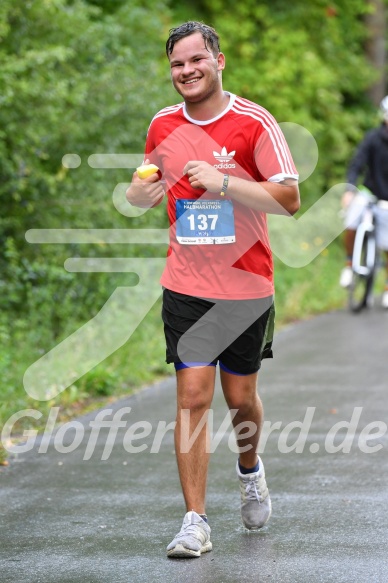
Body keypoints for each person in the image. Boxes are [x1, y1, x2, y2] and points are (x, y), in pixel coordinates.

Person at [126, 21, 299, 558]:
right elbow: (144, 195)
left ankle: (250, 470)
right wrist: (139, 193)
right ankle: (195, 521)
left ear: (218, 61)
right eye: (178, 64)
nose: (187, 71)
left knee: (239, 397)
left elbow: (288, 199)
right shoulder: (161, 125)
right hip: (185, 282)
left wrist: (222, 181)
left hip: (245, 285)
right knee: (192, 397)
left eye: (197, 60)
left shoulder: (253, 123)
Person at [339, 96, 388, 308]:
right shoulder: (373, 138)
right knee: (351, 221)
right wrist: (350, 188)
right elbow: (357, 163)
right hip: (368, 192)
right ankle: (349, 265)